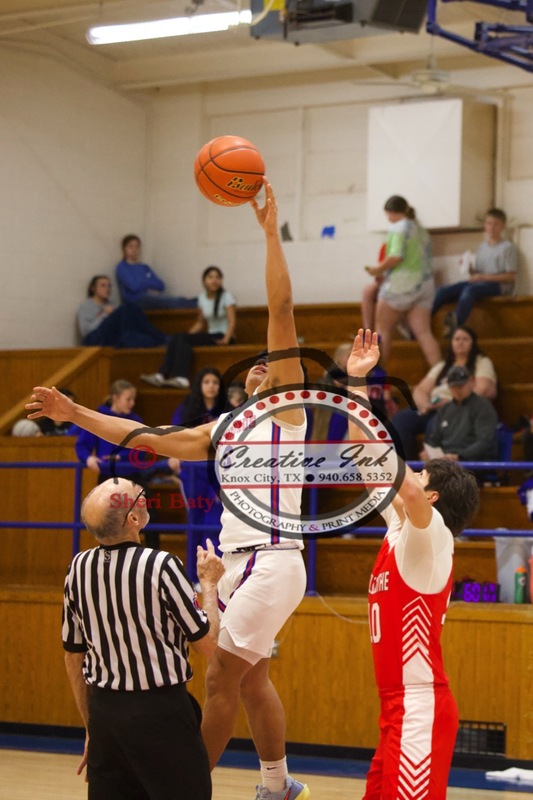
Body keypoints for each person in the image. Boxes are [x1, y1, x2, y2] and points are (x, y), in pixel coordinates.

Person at [27, 181, 310, 800]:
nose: (260, 369)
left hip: (272, 559)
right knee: (253, 679)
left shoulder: (288, 415)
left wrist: (268, 232)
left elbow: (282, 310)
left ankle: (182, 786)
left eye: (270, 365)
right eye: (255, 368)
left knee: (217, 680)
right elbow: (144, 437)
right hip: (234, 562)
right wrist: (76, 413)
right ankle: (276, 783)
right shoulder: (222, 430)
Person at [345, 328, 480, 800]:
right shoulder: (399, 528)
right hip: (395, 709)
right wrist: (356, 384)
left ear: (434, 494)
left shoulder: (432, 534)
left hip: (420, 706)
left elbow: (402, 485)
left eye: (421, 472)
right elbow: (363, 456)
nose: (410, 475)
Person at [62, 476, 224, 799]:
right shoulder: (161, 565)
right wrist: (209, 585)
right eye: (135, 494)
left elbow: (73, 656)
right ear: (133, 519)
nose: (142, 493)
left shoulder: (76, 569)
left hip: (105, 716)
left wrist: (91, 726)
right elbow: (208, 644)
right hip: (160, 715)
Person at [75, 379, 181, 548]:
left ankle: (153, 554)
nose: (132, 403)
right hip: (108, 477)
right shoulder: (100, 417)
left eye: (134, 399)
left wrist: (121, 457)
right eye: (128, 399)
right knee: (107, 518)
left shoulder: (135, 419)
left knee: (149, 516)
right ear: (115, 397)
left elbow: (141, 450)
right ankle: (106, 553)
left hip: (133, 477)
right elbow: (82, 444)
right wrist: (87, 458)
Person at [392, 325, 497, 460]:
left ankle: (440, 467)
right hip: (433, 408)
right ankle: (406, 465)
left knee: (434, 426)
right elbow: (420, 389)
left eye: (465, 339)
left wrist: (451, 401)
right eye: (457, 339)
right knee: (400, 420)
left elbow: (481, 389)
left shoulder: (481, 362)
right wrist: (425, 405)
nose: (460, 342)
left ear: (473, 343)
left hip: (457, 408)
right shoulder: (442, 365)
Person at [365, 195, 441, 368]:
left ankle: (377, 375)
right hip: (425, 284)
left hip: (401, 285)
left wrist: (377, 270)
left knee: (382, 330)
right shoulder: (421, 230)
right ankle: (440, 375)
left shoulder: (398, 228)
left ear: (391, 213)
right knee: (424, 333)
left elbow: (396, 256)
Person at [170, 367, 227, 582]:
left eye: (215, 382)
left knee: (217, 522)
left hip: (219, 471)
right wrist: (173, 455)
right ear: (199, 385)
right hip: (193, 473)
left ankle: (216, 575)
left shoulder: (227, 409)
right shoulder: (187, 408)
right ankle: (193, 577)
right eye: (207, 382)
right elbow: (172, 434)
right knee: (195, 520)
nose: (211, 386)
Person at [141, 266, 237, 389]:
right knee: (179, 338)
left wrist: (227, 338)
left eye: (217, 277)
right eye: (211, 277)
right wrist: (184, 336)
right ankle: (161, 375)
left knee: (183, 339)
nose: (214, 280)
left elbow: (232, 320)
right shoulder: (202, 297)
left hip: (223, 336)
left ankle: (180, 377)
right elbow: (200, 323)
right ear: (204, 281)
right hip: (211, 335)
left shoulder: (226, 296)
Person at [432, 207, 518, 334]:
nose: (492, 227)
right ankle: (423, 322)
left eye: (496, 224)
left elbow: (510, 277)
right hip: (480, 282)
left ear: (502, 227)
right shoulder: (482, 247)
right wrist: (469, 268)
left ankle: (456, 323)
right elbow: (478, 274)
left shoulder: (507, 247)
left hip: (498, 286)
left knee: (470, 290)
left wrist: (483, 277)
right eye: (489, 223)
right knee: (442, 291)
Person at [422, 365, 499, 463]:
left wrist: (460, 456)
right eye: (453, 387)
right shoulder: (444, 409)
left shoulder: (483, 407)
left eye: (461, 386)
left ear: (471, 381)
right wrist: (427, 452)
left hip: (473, 462)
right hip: (446, 462)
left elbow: (484, 441)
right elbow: (433, 439)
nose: (457, 390)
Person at [77, 275, 168, 348]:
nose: (107, 289)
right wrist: (103, 315)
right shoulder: (86, 306)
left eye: (109, 286)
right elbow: (85, 332)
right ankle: (161, 338)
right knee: (127, 307)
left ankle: (154, 338)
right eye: (103, 285)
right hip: (93, 340)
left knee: (132, 307)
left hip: (110, 338)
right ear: (93, 288)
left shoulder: (111, 304)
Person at [116, 234, 197, 310]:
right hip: (135, 302)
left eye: (137, 247)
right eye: (131, 247)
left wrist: (143, 283)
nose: (134, 250)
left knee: (176, 299)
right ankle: (197, 304)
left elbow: (161, 285)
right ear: (124, 249)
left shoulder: (144, 267)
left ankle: (199, 301)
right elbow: (134, 286)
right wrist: (148, 282)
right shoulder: (122, 267)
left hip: (150, 298)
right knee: (169, 302)